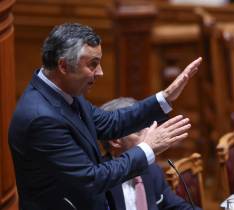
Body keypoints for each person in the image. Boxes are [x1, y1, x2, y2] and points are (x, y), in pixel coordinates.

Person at [8, 23, 202, 210]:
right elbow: (92, 179)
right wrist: (147, 148)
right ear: (64, 66)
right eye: (93, 65)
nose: (100, 72)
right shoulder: (41, 118)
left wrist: (165, 97)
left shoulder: (66, 93)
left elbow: (111, 122)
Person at [99, 97, 201, 210]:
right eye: (138, 130)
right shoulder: (100, 178)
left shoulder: (153, 170)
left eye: (146, 125)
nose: (150, 133)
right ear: (115, 141)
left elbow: (178, 207)